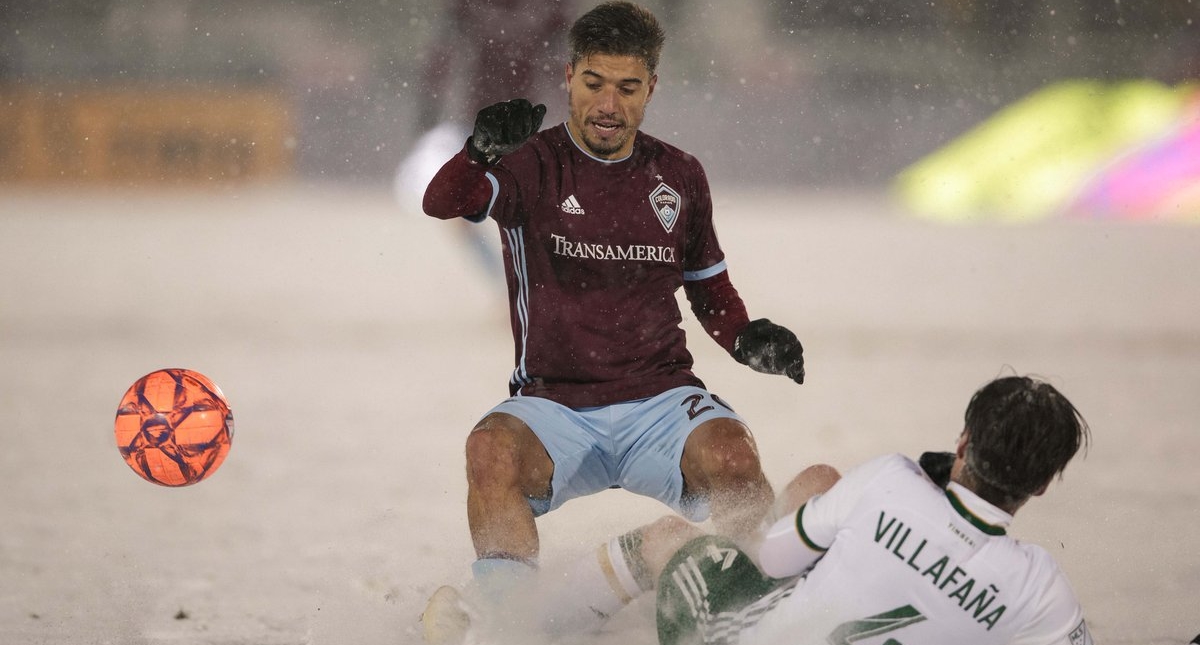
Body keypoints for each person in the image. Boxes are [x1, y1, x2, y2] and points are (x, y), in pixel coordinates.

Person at [420, 0, 806, 629]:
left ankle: (762, 603)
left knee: (734, 456)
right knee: (490, 450)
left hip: (660, 398)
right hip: (555, 402)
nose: (608, 104)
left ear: (651, 87)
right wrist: (478, 152)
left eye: (627, 88)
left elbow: (708, 288)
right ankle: (508, 620)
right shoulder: (529, 163)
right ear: (568, 77)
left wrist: (744, 337)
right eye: (594, 83)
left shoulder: (679, 174)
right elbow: (441, 202)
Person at [511, 374, 1094, 644]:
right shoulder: (1043, 592)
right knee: (820, 482)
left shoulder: (894, 481)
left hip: (740, 635)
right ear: (1043, 485)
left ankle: (519, 629)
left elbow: (771, 559)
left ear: (963, 443)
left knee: (667, 539)